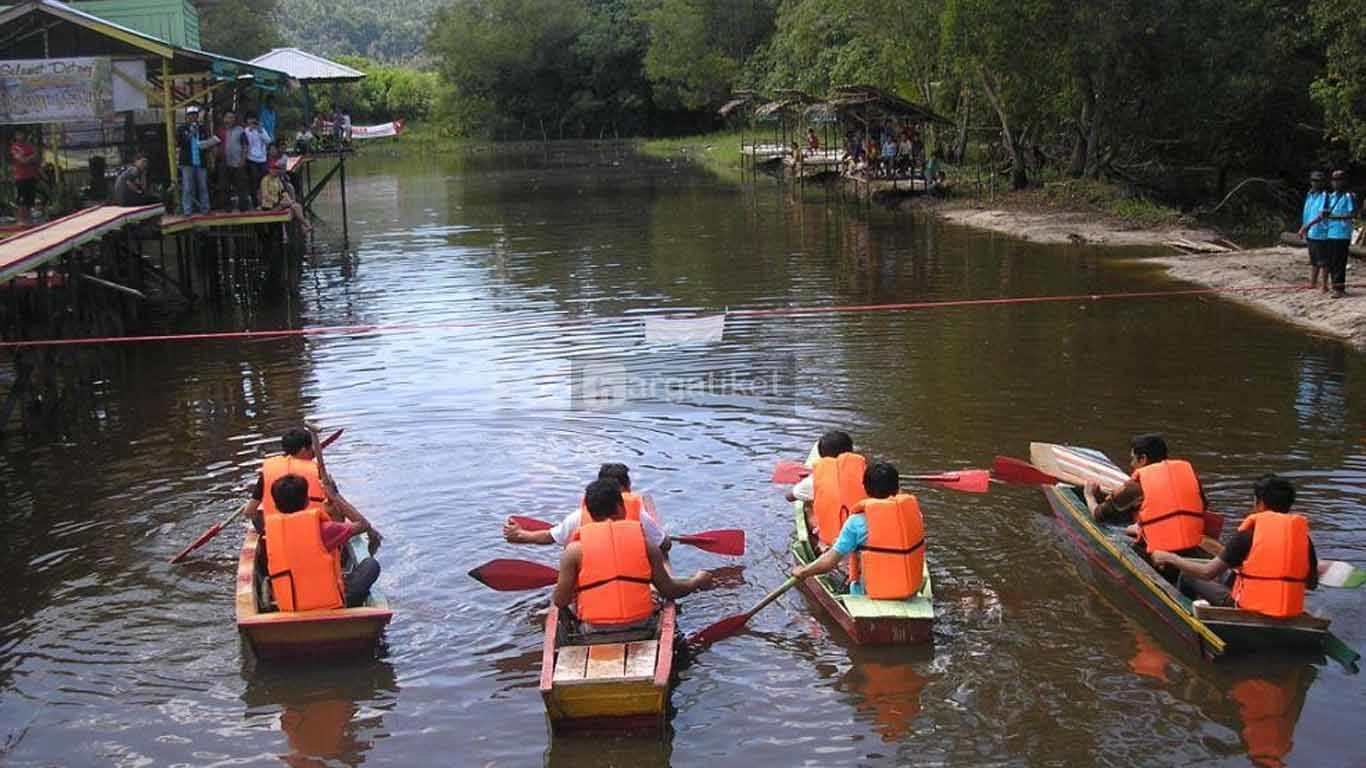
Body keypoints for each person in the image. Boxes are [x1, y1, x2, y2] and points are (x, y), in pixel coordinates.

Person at [551, 478, 712, 631]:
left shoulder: (573, 551)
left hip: (593, 628)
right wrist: (696, 581)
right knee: (656, 599)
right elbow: (669, 590)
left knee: (566, 607)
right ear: (621, 507)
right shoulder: (646, 545)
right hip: (641, 624)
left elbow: (560, 600)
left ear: (590, 513)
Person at [1152, 474, 1317, 618]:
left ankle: (1189, 613)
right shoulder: (1304, 539)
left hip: (1247, 611)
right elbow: (1311, 584)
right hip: (1288, 613)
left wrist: (1170, 558)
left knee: (1188, 575)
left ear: (1260, 503)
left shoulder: (1247, 535)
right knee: (1230, 575)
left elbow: (1207, 573)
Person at [791, 462, 926, 598]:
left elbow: (829, 562)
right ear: (897, 488)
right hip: (911, 588)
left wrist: (803, 572)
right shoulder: (915, 513)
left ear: (865, 489)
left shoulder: (857, 522)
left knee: (841, 565)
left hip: (870, 592)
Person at [264, 473, 382, 610]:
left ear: (276, 506)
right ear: (307, 501)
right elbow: (363, 524)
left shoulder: (272, 532)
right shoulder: (325, 529)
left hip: (289, 605)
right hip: (329, 605)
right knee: (371, 565)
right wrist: (335, 497)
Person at [1083, 433, 1208, 557]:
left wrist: (1089, 496)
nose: (1131, 464)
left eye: (1133, 458)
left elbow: (1098, 515)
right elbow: (1203, 505)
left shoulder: (1136, 486)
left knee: (1123, 529)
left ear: (1143, 459)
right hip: (1190, 541)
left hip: (1161, 548)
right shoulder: (1186, 474)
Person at [503, 463, 666, 547]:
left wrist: (521, 535)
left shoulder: (579, 516)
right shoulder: (638, 514)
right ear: (628, 486)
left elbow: (550, 537)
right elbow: (664, 544)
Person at [787, 430, 866, 552]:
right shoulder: (866, 473)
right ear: (851, 451)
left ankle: (821, 544)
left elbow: (790, 496)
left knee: (808, 506)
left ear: (821, 456)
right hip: (865, 536)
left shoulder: (813, 480)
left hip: (835, 542)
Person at [247, 426, 333, 532]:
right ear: (303, 450)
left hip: (278, 535)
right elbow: (336, 510)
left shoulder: (268, 472)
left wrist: (264, 531)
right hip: (313, 532)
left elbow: (249, 511)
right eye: (311, 448)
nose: (313, 451)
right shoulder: (317, 472)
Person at [175, 106, 216, 216]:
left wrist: (210, 143)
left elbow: (206, 144)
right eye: (190, 115)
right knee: (188, 187)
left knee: (203, 186)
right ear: (187, 117)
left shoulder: (202, 128)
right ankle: (187, 210)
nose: (193, 117)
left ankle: (205, 209)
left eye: (195, 115)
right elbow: (180, 143)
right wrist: (191, 133)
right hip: (187, 162)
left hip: (200, 162)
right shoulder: (181, 128)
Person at [1322, 170, 1357, 298]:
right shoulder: (1331, 196)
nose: (1335, 183)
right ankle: (1335, 285)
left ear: (1344, 181)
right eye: (1334, 180)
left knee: (1339, 262)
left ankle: (1339, 288)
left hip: (1342, 233)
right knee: (1331, 261)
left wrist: (1334, 217)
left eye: (1338, 180)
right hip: (1331, 232)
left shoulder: (1349, 196)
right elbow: (1327, 212)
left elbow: (1352, 213)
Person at [259, 152, 313, 233]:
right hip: (269, 206)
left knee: (296, 206)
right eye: (273, 169)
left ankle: (304, 226)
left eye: (276, 169)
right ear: (269, 169)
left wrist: (289, 201)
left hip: (278, 204)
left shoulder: (277, 179)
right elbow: (265, 195)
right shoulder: (265, 180)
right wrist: (277, 201)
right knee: (294, 206)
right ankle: (306, 225)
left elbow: (283, 192)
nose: (275, 171)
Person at [1297, 171, 1331, 292]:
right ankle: (1313, 282)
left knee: (1324, 260)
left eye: (1318, 181)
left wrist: (1307, 226)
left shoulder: (1325, 196)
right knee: (1314, 260)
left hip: (1321, 232)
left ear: (1322, 183)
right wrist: (1303, 227)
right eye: (1314, 181)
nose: (1315, 183)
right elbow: (1307, 213)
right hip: (1310, 232)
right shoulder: (1309, 194)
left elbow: (1322, 215)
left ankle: (1325, 285)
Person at [215, 110, 251, 211]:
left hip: (238, 162)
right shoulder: (220, 131)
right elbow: (215, 145)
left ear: (235, 119)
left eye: (232, 117)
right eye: (228, 117)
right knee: (224, 186)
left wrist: (243, 159)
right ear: (224, 119)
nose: (230, 119)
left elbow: (245, 145)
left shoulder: (240, 130)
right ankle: (227, 207)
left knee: (241, 185)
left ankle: (243, 207)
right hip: (224, 162)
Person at [8, 128, 40, 225]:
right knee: (22, 200)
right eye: (18, 134)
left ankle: (29, 220)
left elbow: (37, 158)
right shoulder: (15, 147)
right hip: (20, 177)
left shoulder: (29, 146)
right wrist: (31, 157)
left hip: (31, 175)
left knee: (30, 199)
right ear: (15, 136)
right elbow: (22, 161)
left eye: (21, 134)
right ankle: (21, 220)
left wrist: (30, 158)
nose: (20, 136)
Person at [244, 112, 273, 199]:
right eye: (249, 119)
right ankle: (255, 200)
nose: (251, 121)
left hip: (262, 159)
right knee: (254, 179)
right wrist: (251, 130)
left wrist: (260, 130)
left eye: (253, 119)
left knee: (264, 179)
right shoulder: (246, 130)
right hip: (251, 159)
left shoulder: (261, 130)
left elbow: (268, 141)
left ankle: (265, 199)